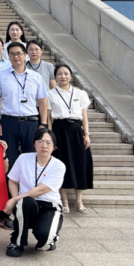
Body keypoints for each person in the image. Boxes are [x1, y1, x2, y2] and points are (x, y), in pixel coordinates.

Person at [4, 129, 65, 255]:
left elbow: (40, 190)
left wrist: (14, 199)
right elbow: (12, 181)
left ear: (54, 146)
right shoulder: (23, 158)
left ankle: (49, 237)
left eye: (48, 142)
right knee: (25, 202)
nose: (44, 145)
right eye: (40, 141)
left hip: (50, 206)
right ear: (34, 144)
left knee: (44, 243)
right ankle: (16, 241)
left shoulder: (58, 166)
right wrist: (17, 200)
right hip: (27, 204)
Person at [0, 41, 49, 171]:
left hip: (30, 122)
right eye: (12, 54)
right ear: (8, 56)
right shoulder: (1, 75)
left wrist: (43, 123)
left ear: (25, 55)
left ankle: (29, 188)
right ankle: (11, 189)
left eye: (18, 53)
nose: (15, 56)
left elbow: (42, 101)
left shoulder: (36, 77)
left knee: (31, 156)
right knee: (9, 156)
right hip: (8, 121)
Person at [49, 64, 93, 213]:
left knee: (80, 163)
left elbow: (84, 116)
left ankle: (79, 201)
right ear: (55, 77)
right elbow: (49, 118)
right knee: (61, 162)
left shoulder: (80, 93)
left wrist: (86, 134)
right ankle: (64, 201)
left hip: (76, 129)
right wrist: (50, 137)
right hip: (59, 129)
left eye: (66, 74)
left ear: (71, 76)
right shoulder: (50, 94)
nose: (63, 76)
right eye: (60, 74)